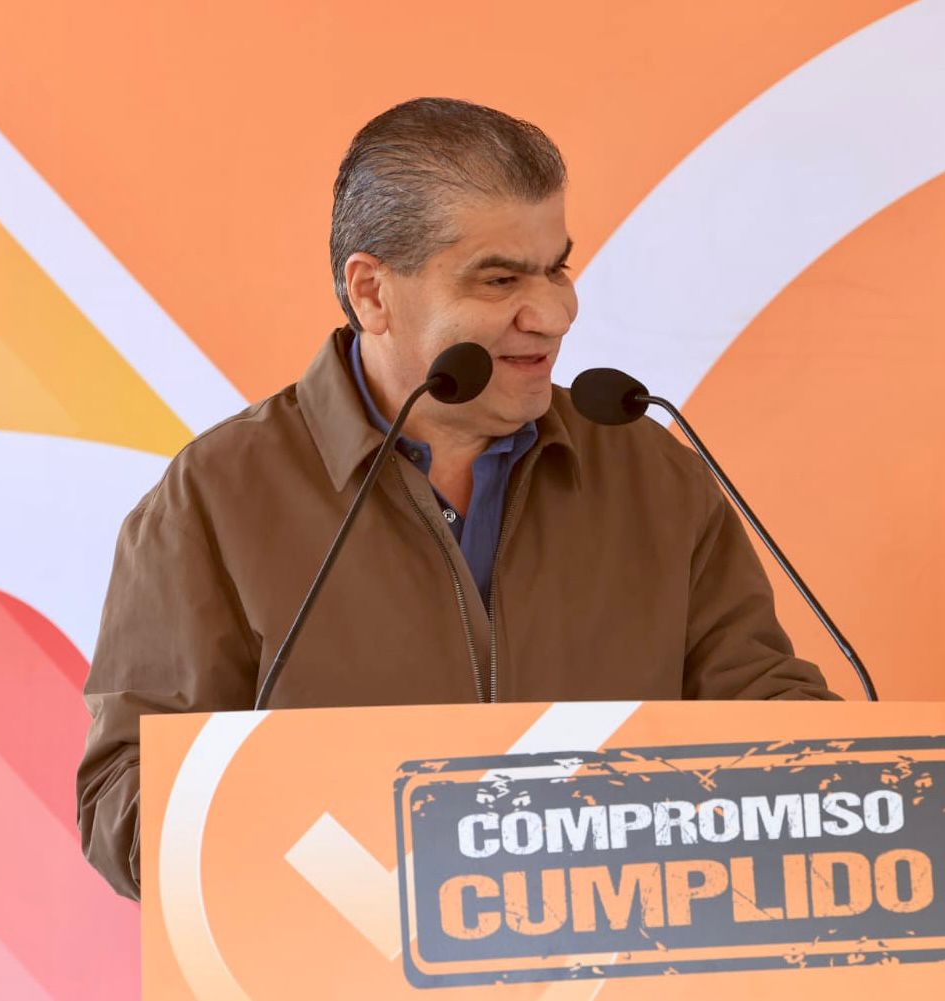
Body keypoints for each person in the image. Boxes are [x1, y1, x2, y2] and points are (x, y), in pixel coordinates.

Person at [77, 97, 837, 900]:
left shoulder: (650, 471)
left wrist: (840, 774)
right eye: (500, 279)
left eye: (557, 269)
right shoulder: (216, 497)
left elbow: (763, 713)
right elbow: (125, 804)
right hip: (349, 948)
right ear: (372, 293)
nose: (554, 314)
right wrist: (343, 829)